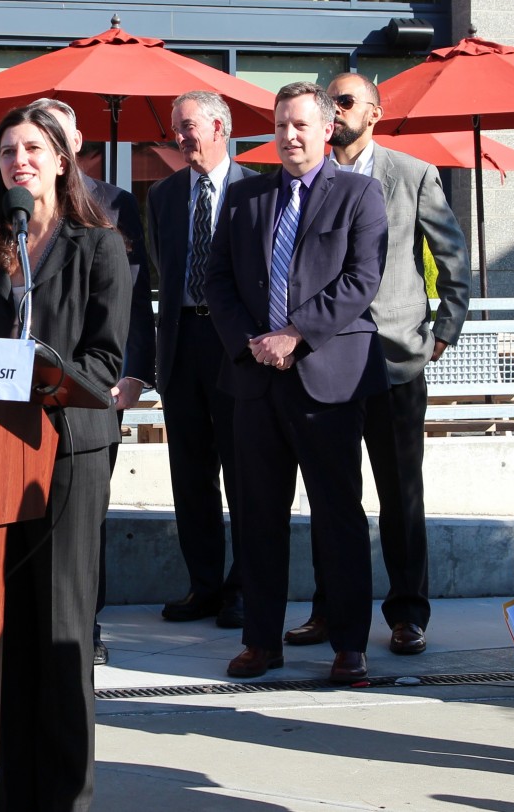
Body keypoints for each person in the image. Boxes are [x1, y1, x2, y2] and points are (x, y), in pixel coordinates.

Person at [0, 105, 130, 811]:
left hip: (70, 453)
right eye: (6, 152)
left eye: (33, 148)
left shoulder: (100, 246)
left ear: (62, 160)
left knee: (60, 626)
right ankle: (14, 786)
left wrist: (42, 374)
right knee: (9, 628)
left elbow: (104, 359)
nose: (18, 160)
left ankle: (64, 794)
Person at [204, 82, 389, 684]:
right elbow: (218, 282)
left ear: (327, 127)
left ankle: (349, 644)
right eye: (280, 125)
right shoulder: (244, 198)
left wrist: (295, 335)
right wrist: (250, 344)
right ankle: (261, 642)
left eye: (300, 125)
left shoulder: (360, 194)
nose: (288, 135)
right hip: (255, 383)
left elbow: (362, 280)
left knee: (338, 515)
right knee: (258, 516)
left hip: (329, 381)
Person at [283, 73, 470, 655]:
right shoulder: (313, 176)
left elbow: (452, 256)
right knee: (331, 495)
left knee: (399, 494)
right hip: (327, 360)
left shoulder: (411, 175)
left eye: (344, 102)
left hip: (394, 360)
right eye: (329, 102)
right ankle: (329, 611)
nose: (334, 112)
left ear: (375, 111)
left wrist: (444, 329)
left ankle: (407, 613)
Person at [33, 97, 156, 666]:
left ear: (77, 145)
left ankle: (88, 624)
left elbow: (130, 300)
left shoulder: (114, 206)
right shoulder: (9, 210)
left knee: (87, 514)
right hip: (20, 395)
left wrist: (133, 373)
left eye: (56, 135)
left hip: (94, 389)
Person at [147, 91, 257, 630]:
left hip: (235, 345)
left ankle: (242, 587)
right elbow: (161, 272)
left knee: (243, 471)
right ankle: (204, 585)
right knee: (190, 474)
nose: (178, 136)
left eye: (187, 126)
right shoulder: (164, 196)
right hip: (182, 343)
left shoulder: (256, 191)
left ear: (219, 127)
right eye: (175, 128)